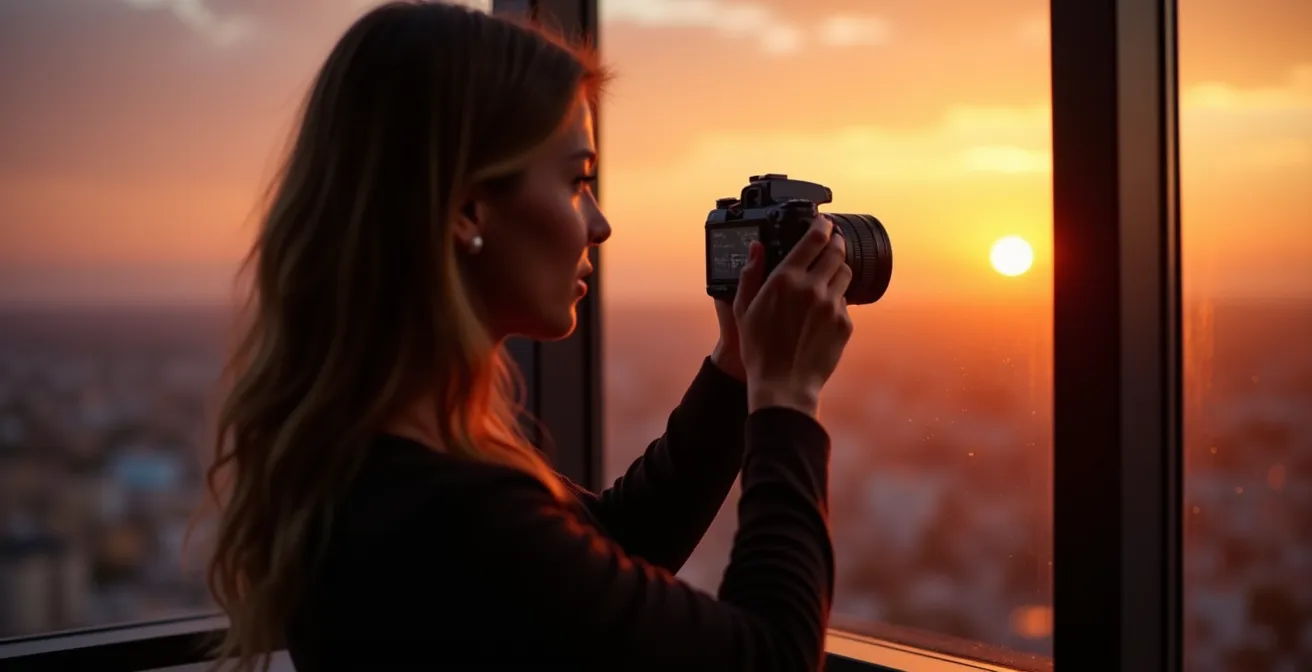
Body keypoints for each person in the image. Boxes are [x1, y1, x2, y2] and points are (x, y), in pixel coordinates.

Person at [201, 2, 854, 671]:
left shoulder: (369, 460)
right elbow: (773, 658)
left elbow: (610, 553)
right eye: (577, 181)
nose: (599, 225)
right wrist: (787, 399)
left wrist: (738, 368)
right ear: (466, 209)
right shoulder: (451, 516)